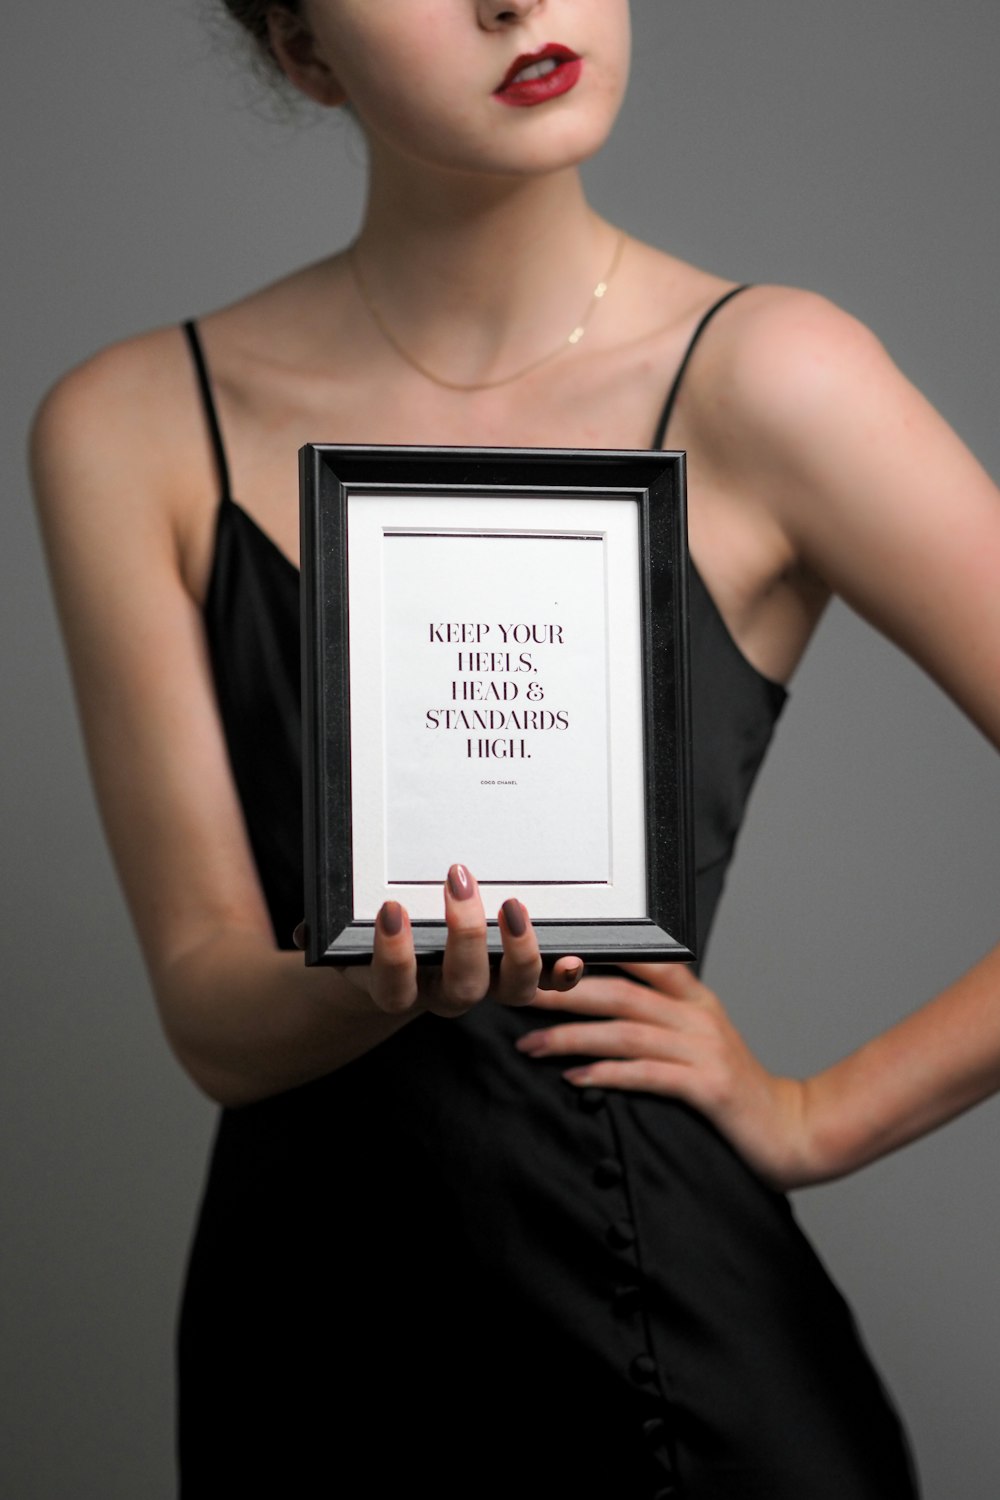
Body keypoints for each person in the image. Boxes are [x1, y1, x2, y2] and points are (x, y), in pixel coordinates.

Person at [30, 2, 999, 1495]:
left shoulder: (773, 375)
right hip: (307, 1354)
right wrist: (371, 975)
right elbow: (209, 1010)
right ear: (301, 48)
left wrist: (818, 1114)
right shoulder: (133, 426)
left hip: (666, 1336)